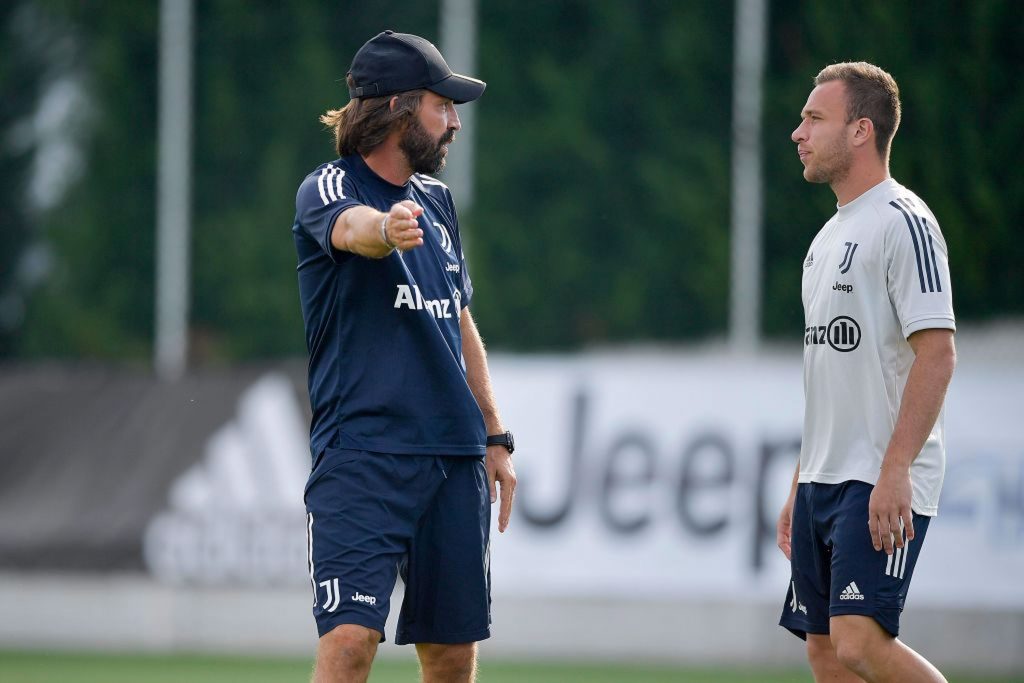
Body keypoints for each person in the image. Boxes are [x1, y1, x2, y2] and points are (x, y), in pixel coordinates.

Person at [291, 30, 517, 683]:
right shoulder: (328, 186)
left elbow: (459, 317)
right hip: (362, 456)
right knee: (350, 641)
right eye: (442, 106)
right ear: (397, 107)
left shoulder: (437, 202)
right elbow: (351, 230)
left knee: (451, 656)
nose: (454, 122)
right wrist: (385, 230)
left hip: (452, 459)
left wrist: (495, 433)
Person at [777, 62, 956, 683]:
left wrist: (897, 468)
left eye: (812, 118)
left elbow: (938, 352)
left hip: (877, 476)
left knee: (859, 643)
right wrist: (801, 482)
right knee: (823, 649)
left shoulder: (904, 220)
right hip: (825, 477)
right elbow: (828, 375)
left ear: (860, 131)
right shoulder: (824, 240)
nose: (797, 133)